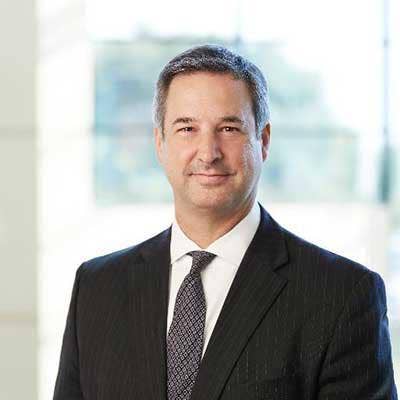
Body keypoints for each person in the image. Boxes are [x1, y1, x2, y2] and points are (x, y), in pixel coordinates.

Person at [53, 44, 397, 400]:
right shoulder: (97, 288)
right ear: (160, 143)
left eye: (229, 128)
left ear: (263, 141)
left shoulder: (341, 295)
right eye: (187, 128)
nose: (208, 153)